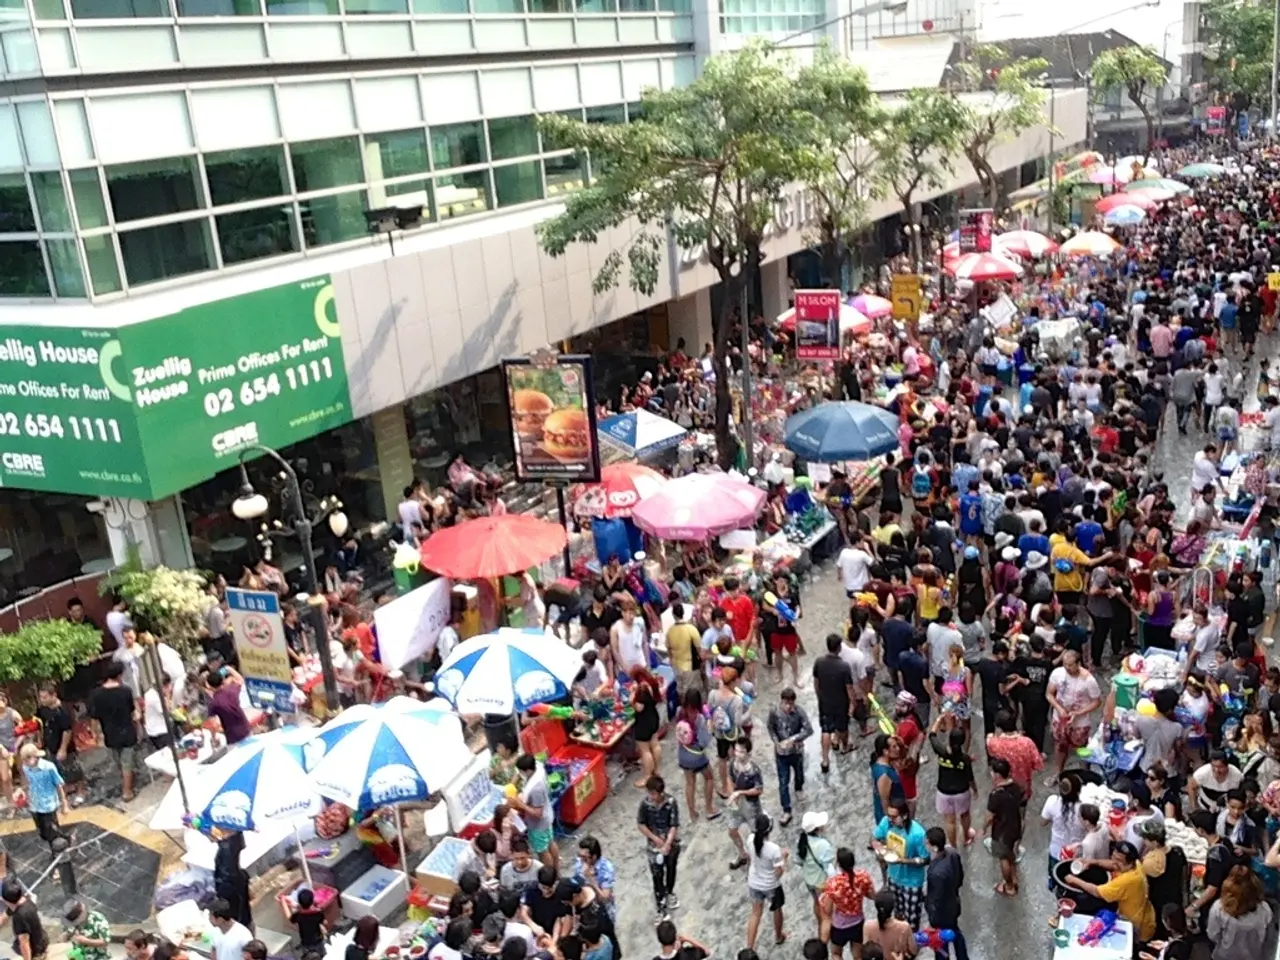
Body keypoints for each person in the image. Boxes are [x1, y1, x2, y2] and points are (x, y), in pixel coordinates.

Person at [1063, 841, 1157, 940]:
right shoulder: (1135, 864)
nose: (1114, 862)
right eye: (1113, 857)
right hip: (1144, 912)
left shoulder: (1127, 881)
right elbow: (1113, 864)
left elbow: (1096, 891)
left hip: (1136, 927)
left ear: (1129, 863)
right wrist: (1093, 862)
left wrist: (1074, 880)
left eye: (1119, 860)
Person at [871, 798, 928, 930]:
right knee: (896, 912)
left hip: (912, 882)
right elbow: (874, 837)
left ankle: (910, 944)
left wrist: (902, 861)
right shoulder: (886, 823)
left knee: (911, 919)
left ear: (904, 815)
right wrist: (877, 846)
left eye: (894, 817)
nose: (890, 819)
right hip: (893, 877)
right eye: (889, 815)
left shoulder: (917, 834)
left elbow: (925, 859)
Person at [87, 662, 139, 802]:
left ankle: (127, 783)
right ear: (120, 675)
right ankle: (127, 791)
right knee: (127, 762)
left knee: (119, 762)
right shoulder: (126, 691)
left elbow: (94, 718)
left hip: (110, 733)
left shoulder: (96, 694)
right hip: (127, 731)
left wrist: (95, 735)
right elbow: (133, 713)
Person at [1046, 650, 1101, 778]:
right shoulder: (1057, 673)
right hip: (1059, 718)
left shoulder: (1088, 680)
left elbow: (1097, 702)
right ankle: (1058, 773)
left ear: (1078, 664)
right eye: (1065, 664)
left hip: (1080, 722)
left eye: (1070, 665)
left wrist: (1078, 713)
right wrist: (1059, 708)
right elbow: (1049, 694)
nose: (1067, 668)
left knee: (1081, 748)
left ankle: (1085, 775)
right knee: (1059, 746)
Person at [929, 713, 976, 848]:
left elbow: (932, 735)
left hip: (944, 791)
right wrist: (975, 790)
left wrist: (939, 719)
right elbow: (970, 776)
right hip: (962, 791)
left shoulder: (941, 751)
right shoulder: (964, 758)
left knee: (950, 820)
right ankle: (966, 837)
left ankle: (953, 844)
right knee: (965, 815)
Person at [1206, 865, 1273, 960]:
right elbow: (1268, 934)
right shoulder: (1264, 908)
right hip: (1254, 956)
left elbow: (1212, 935)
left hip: (1225, 956)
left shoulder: (1219, 908)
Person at [767, 687, 813, 826]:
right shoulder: (774, 712)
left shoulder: (799, 712)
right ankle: (786, 809)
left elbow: (808, 729)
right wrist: (776, 743)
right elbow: (771, 728)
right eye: (785, 703)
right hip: (781, 754)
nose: (788, 707)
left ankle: (799, 788)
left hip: (796, 751)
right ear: (781, 701)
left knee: (799, 773)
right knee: (783, 781)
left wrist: (793, 739)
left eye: (790, 704)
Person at [636, 775, 680, 920]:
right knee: (657, 876)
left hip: (670, 844)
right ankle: (660, 906)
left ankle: (670, 892)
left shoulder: (671, 802)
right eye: (650, 793)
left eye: (654, 793)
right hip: (653, 847)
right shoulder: (645, 805)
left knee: (671, 869)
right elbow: (641, 824)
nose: (652, 796)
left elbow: (674, 825)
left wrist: (667, 843)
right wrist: (655, 839)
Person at [820, 846, 875, 960]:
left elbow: (828, 912)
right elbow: (872, 895)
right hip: (858, 922)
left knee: (836, 954)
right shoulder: (863, 876)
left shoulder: (833, 884)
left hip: (839, 926)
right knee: (858, 956)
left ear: (839, 865)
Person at [744, 812, 787, 950]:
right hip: (771, 886)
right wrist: (784, 858)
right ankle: (779, 936)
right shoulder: (774, 849)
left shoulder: (750, 839)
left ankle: (749, 947)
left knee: (755, 913)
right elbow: (779, 872)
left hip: (754, 882)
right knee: (777, 909)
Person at [674, 689, 719, 823]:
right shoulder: (700, 718)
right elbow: (704, 741)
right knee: (709, 777)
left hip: (683, 754)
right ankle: (709, 808)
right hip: (697, 756)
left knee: (690, 783)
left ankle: (692, 812)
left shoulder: (679, 712)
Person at [923, 827, 968, 960]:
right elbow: (960, 876)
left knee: (940, 941)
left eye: (927, 843)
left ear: (935, 847)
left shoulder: (937, 873)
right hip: (953, 903)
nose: (925, 844)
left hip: (942, 913)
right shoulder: (952, 854)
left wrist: (932, 917)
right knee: (955, 932)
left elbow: (935, 900)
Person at [813, 634, 855, 773]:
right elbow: (849, 688)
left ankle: (825, 760)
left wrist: (820, 696)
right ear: (839, 648)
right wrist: (852, 703)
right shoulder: (844, 667)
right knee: (842, 728)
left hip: (825, 702)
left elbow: (816, 682)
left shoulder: (819, 662)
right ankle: (844, 746)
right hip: (840, 703)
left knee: (825, 730)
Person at [509, 753, 559, 868]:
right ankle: (557, 868)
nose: (520, 774)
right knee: (550, 842)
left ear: (527, 771)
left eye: (521, 771)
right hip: (548, 815)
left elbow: (538, 813)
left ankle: (550, 872)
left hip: (538, 825)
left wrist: (520, 804)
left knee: (543, 851)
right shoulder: (538, 767)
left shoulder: (536, 789)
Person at [35, 684, 82, 805]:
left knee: (74, 769)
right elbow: (40, 724)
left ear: (54, 695)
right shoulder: (43, 710)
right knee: (57, 769)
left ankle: (81, 792)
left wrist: (63, 748)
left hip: (65, 745)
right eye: (41, 697)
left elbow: (67, 730)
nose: (42, 700)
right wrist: (39, 739)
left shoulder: (63, 710)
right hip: (50, 744)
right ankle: (65, 790)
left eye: (45, 697)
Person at [985, 756, 1023, 898]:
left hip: (1001, 831)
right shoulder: (1016, 787)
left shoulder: (996, 794)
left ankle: (1009, 886)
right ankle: (1014, 878)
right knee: (1010, 852)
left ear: (998, 775)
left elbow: (990, 816)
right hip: (1015, 826)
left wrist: (983, 827)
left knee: (1003, 858)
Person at [726, 736, 765, 870]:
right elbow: (729, 778)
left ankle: (759, 859)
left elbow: (759, 790)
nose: (738, 754)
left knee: (756, 834)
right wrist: (733, 794)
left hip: (751, 806)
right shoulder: (732, 763)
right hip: (737, 805)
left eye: (741, 751)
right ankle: (742, 854)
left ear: (748, 752)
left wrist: (741, 792)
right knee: (732, 830)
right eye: (736, 750)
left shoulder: (754, 769)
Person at [18, 743, 66, 846]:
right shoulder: (26, 768)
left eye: (26, 760)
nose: (25, 763)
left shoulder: (48, 767)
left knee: (52, 831)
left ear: (35, 757)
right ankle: (60, 841)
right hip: (35, 804)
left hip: (48, 804)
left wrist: (64, 804)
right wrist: (23, 792)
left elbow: (58, 785)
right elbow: (28, 782)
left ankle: (59, 847)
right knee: (43, 832)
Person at [1041, 773, 1086, 874]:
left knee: (1055, 876)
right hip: (1077, 855)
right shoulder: (1083, 809)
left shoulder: (1052, 801)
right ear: (1078, 791)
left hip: (1056, 852)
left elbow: (1043, 822)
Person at [629, 666, 664, 790]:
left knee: (645, 750)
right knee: (655, 744)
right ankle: (657, 769)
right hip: (653, 717)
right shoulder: (652, 683)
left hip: (643, 722)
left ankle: (647, 776)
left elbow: (639, 708)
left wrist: (632, 698)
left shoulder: (642, 689)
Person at [861, 889, 916, 959]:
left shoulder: (867, 926)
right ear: (893, 907)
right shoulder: (904, 927)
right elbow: (913, 951)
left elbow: (866, 951)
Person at [570, 837, 615, 921]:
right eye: (580, 855)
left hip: (602, 911)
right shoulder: (579, 862)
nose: (581, 859)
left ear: (594, 856)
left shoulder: (606, 869)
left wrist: (591, 880)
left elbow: (604, 898)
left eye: (584, 857)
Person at [206, 667, 251, 745]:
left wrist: (214, 737)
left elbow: (214, 725)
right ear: (223, 680)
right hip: (246, 729)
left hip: (232, 737)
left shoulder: (213, 704)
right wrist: (229, 669)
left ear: (210, 687)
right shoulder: (232, 690)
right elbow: (240, 679)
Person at [3, 878, 46, 960]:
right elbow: (7, 914)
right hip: (41, 940)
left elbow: (24, 943)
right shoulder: (27, 901)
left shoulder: (19, 917)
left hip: (34, 951)